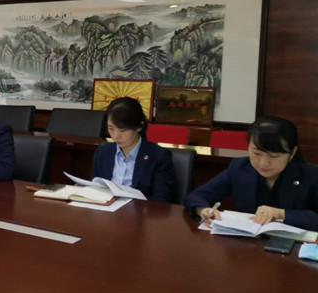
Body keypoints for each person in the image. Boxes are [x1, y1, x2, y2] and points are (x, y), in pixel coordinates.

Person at [184, 116, 318, 232]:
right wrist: (203, 210)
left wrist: (281, 214)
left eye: (274, 156)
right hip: (246, 244)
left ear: (292, 153)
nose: (263, 163)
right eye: (256, 153)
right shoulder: (240, 168)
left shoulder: (311, 175)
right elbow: (196, 196)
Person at [91, 97, 175, 203]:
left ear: (139, 127)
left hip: (139, 212)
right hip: (105, 210)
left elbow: (162, 200)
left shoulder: (159, 156)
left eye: (122, 130)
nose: (116, 136)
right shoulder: (103, 152)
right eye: (111, 128)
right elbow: (96, 186)